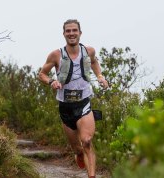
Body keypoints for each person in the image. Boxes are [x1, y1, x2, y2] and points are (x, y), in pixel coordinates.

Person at [38, 19, 108, 178]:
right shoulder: (56, 55)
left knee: (87, 141)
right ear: (64, 34)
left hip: (84, 103)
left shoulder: (89, 51)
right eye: (68, 31)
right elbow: (41, 74)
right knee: (78, 149)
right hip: (65, 107)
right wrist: (51, 81)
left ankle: (91, 176)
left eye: (74, 30)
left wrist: (100, 76)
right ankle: (78, 154)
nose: (71, 33)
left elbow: (95, 62)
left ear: (80, 33)